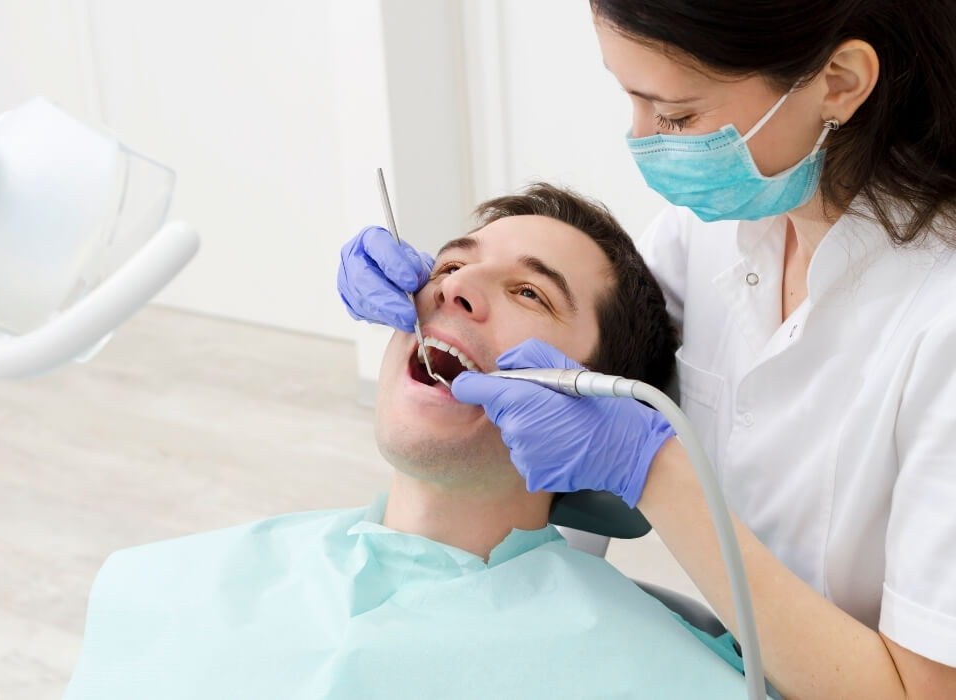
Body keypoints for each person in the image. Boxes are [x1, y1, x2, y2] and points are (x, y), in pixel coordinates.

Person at [336, 2, 956, 698]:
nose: (639, 137)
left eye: (675, 115)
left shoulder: (941, 322)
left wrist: (649, 466)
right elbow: (601, 360)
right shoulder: (707, 234)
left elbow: (921, 691)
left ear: (839, 82)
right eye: (451, 266)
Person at [64, 184, 758, 700]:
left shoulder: (662, 678)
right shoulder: (166, 588)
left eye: (530, 294)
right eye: (450, 265)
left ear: (595, 400)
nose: (455, 290)